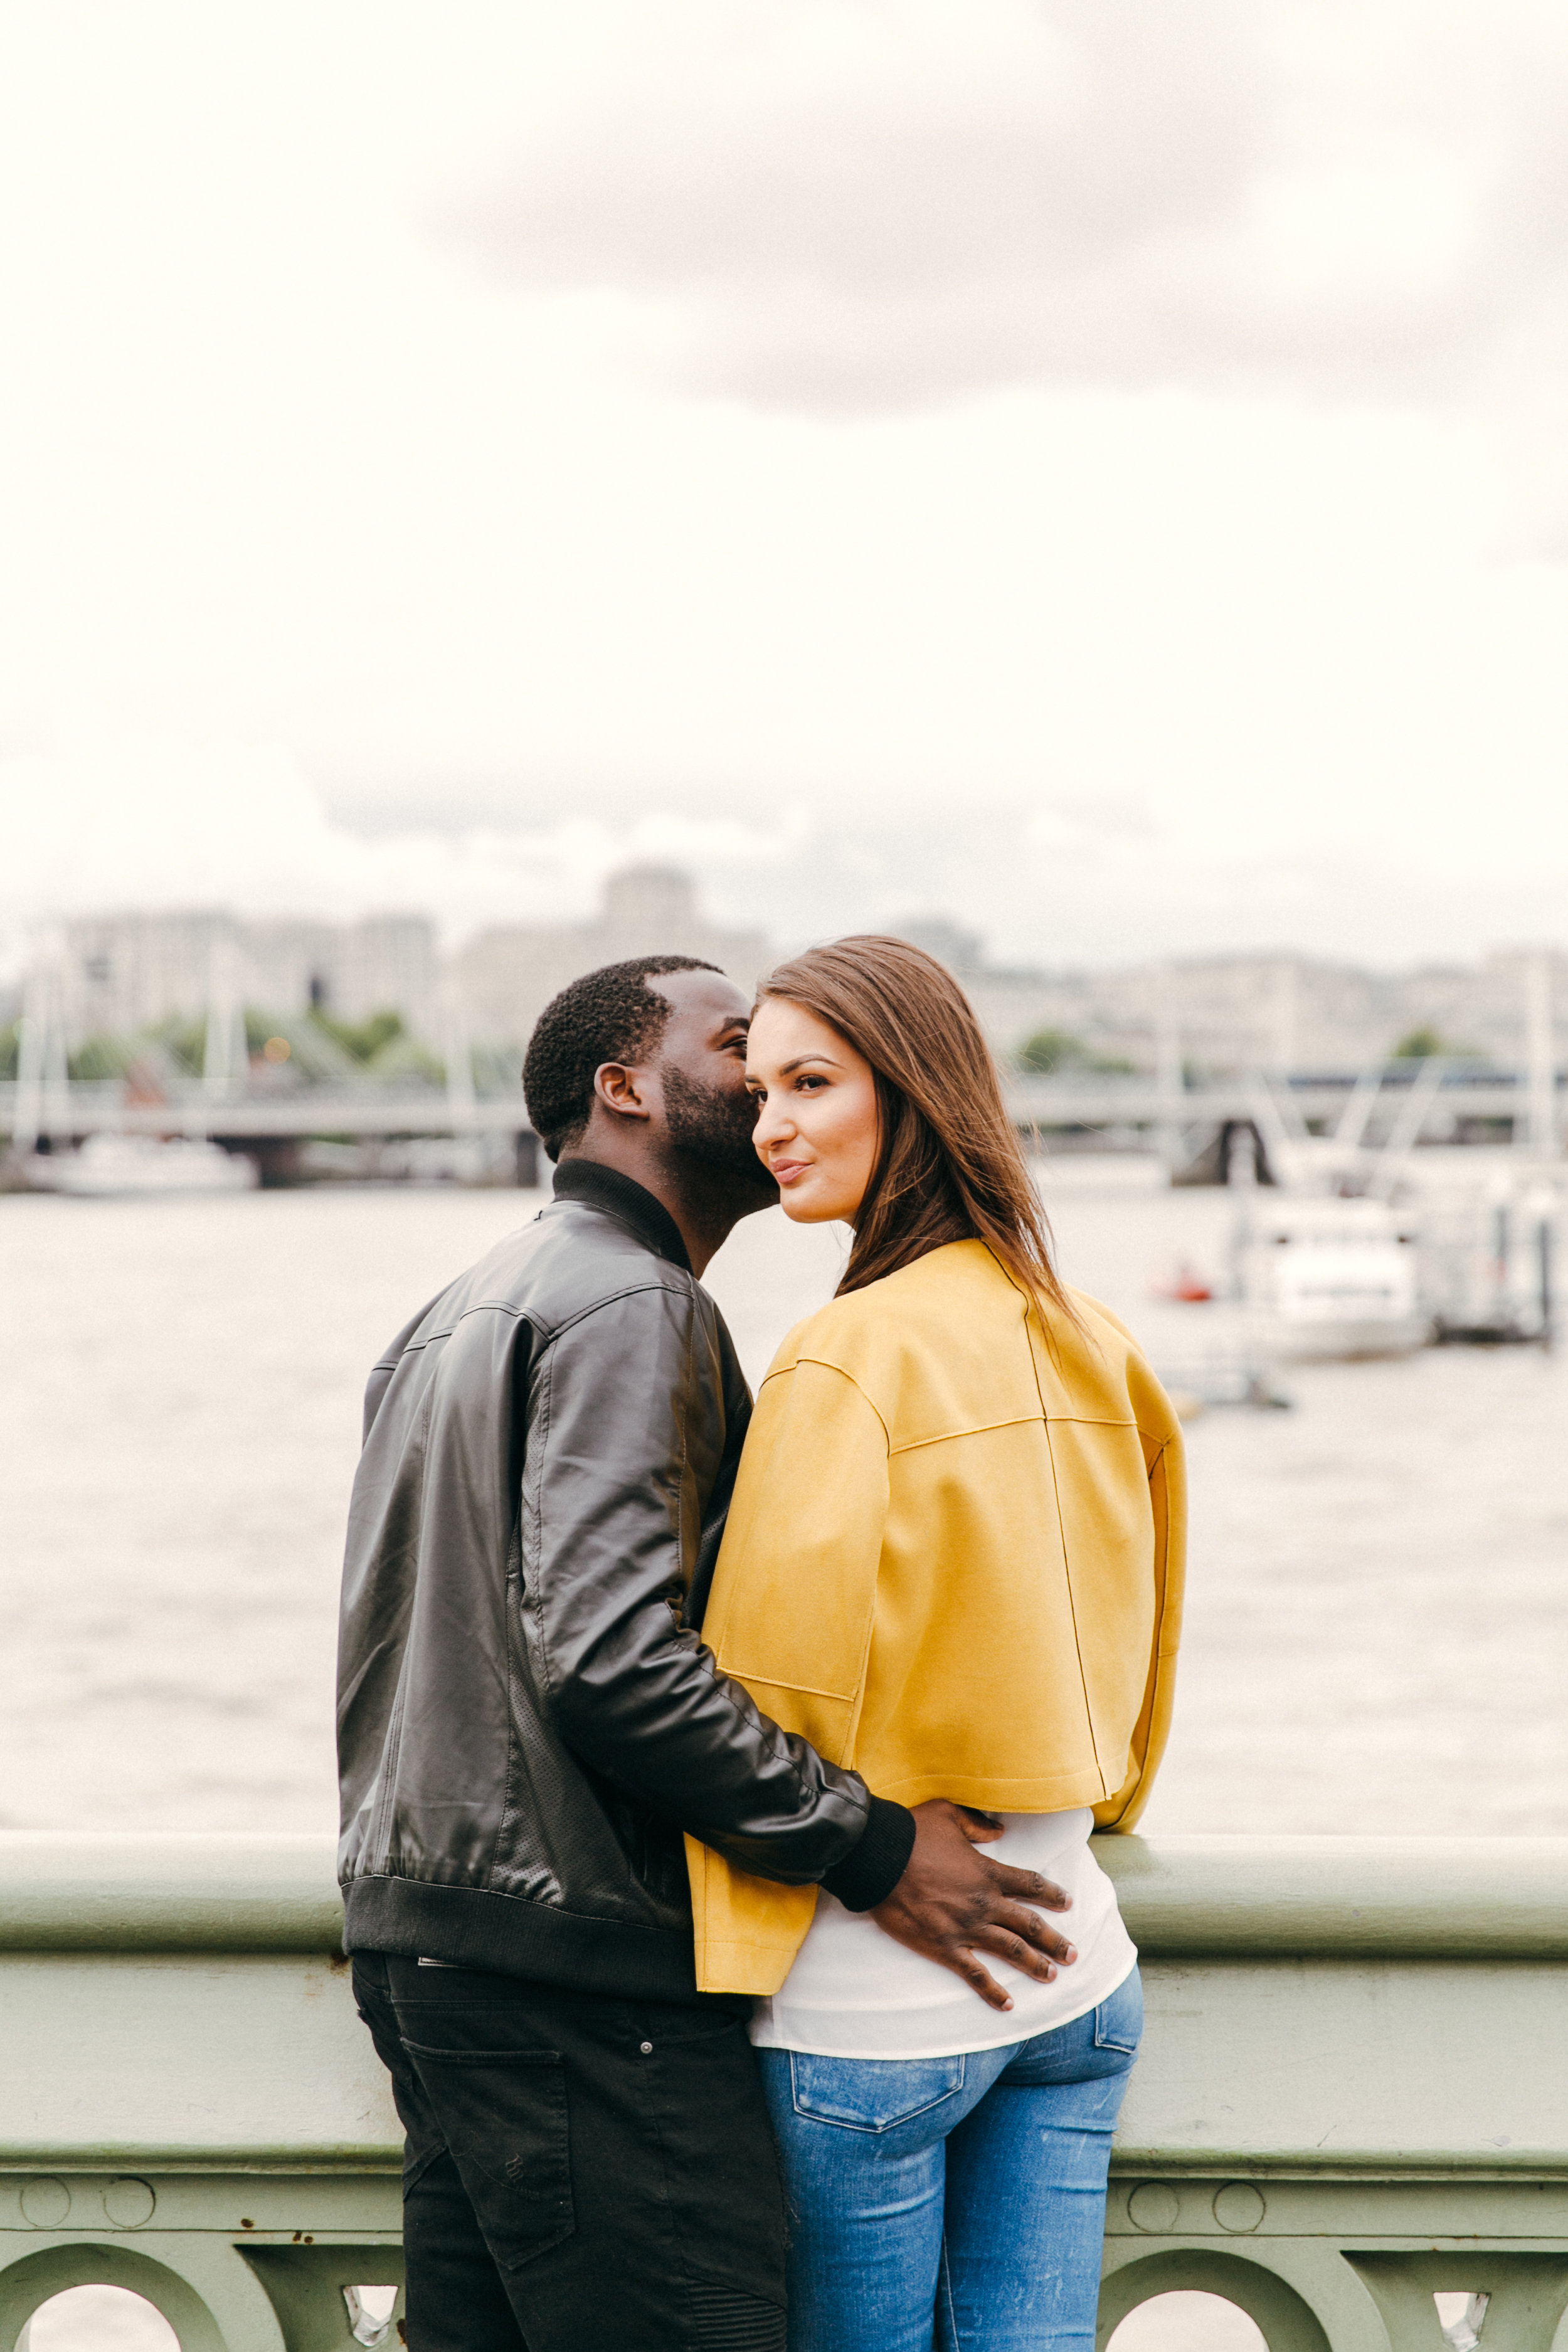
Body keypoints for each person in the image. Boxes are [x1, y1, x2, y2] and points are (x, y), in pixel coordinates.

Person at [336, 954, 1078, 2352]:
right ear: (624, 1086)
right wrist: (867, 1844)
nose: (762, 1078)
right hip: (582, 1979)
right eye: (737, 1046)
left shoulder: (451, 1310)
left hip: (431, 1947)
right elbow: (611, 1659)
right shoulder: (636, 1305)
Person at [687, 936, 1187, 2352]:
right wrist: (1091, 1818)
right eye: (758, 1089)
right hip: (1074, 1963)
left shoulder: (842, 1354)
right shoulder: (1084, 1330)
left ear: (909, 1090)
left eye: (810, 1082)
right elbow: (1146, 1625)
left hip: (873, 1996)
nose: (768, 1124)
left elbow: (762, 1692)